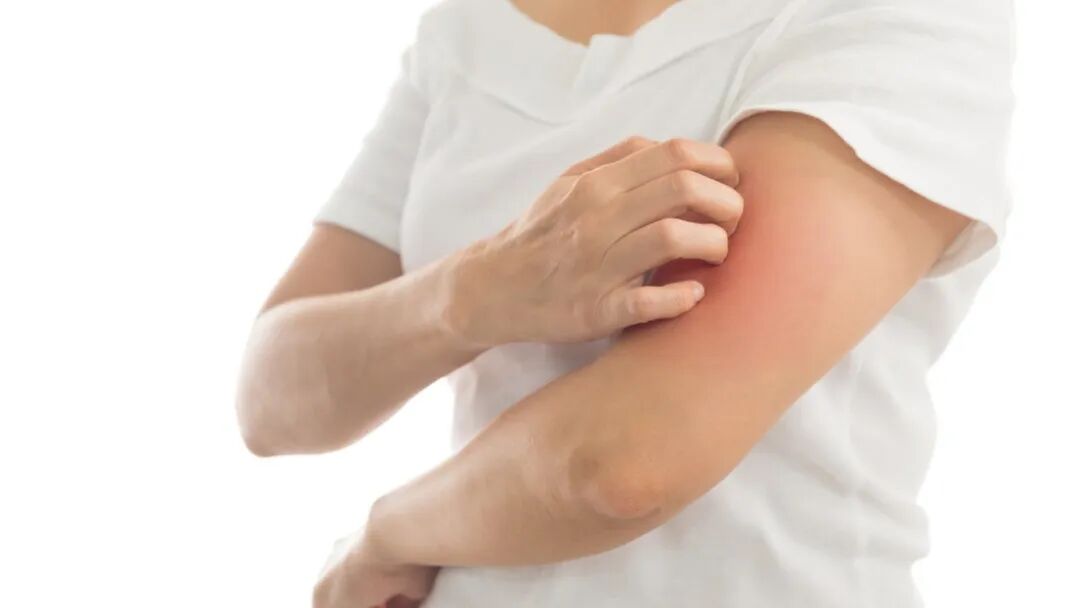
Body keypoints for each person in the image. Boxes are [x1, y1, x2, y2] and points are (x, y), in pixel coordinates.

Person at [234, 0, 1015, 606]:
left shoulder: (893, 16)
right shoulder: (468, 29)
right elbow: (271, 398)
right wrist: (473, 293)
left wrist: (386, 535)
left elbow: (624, 462)